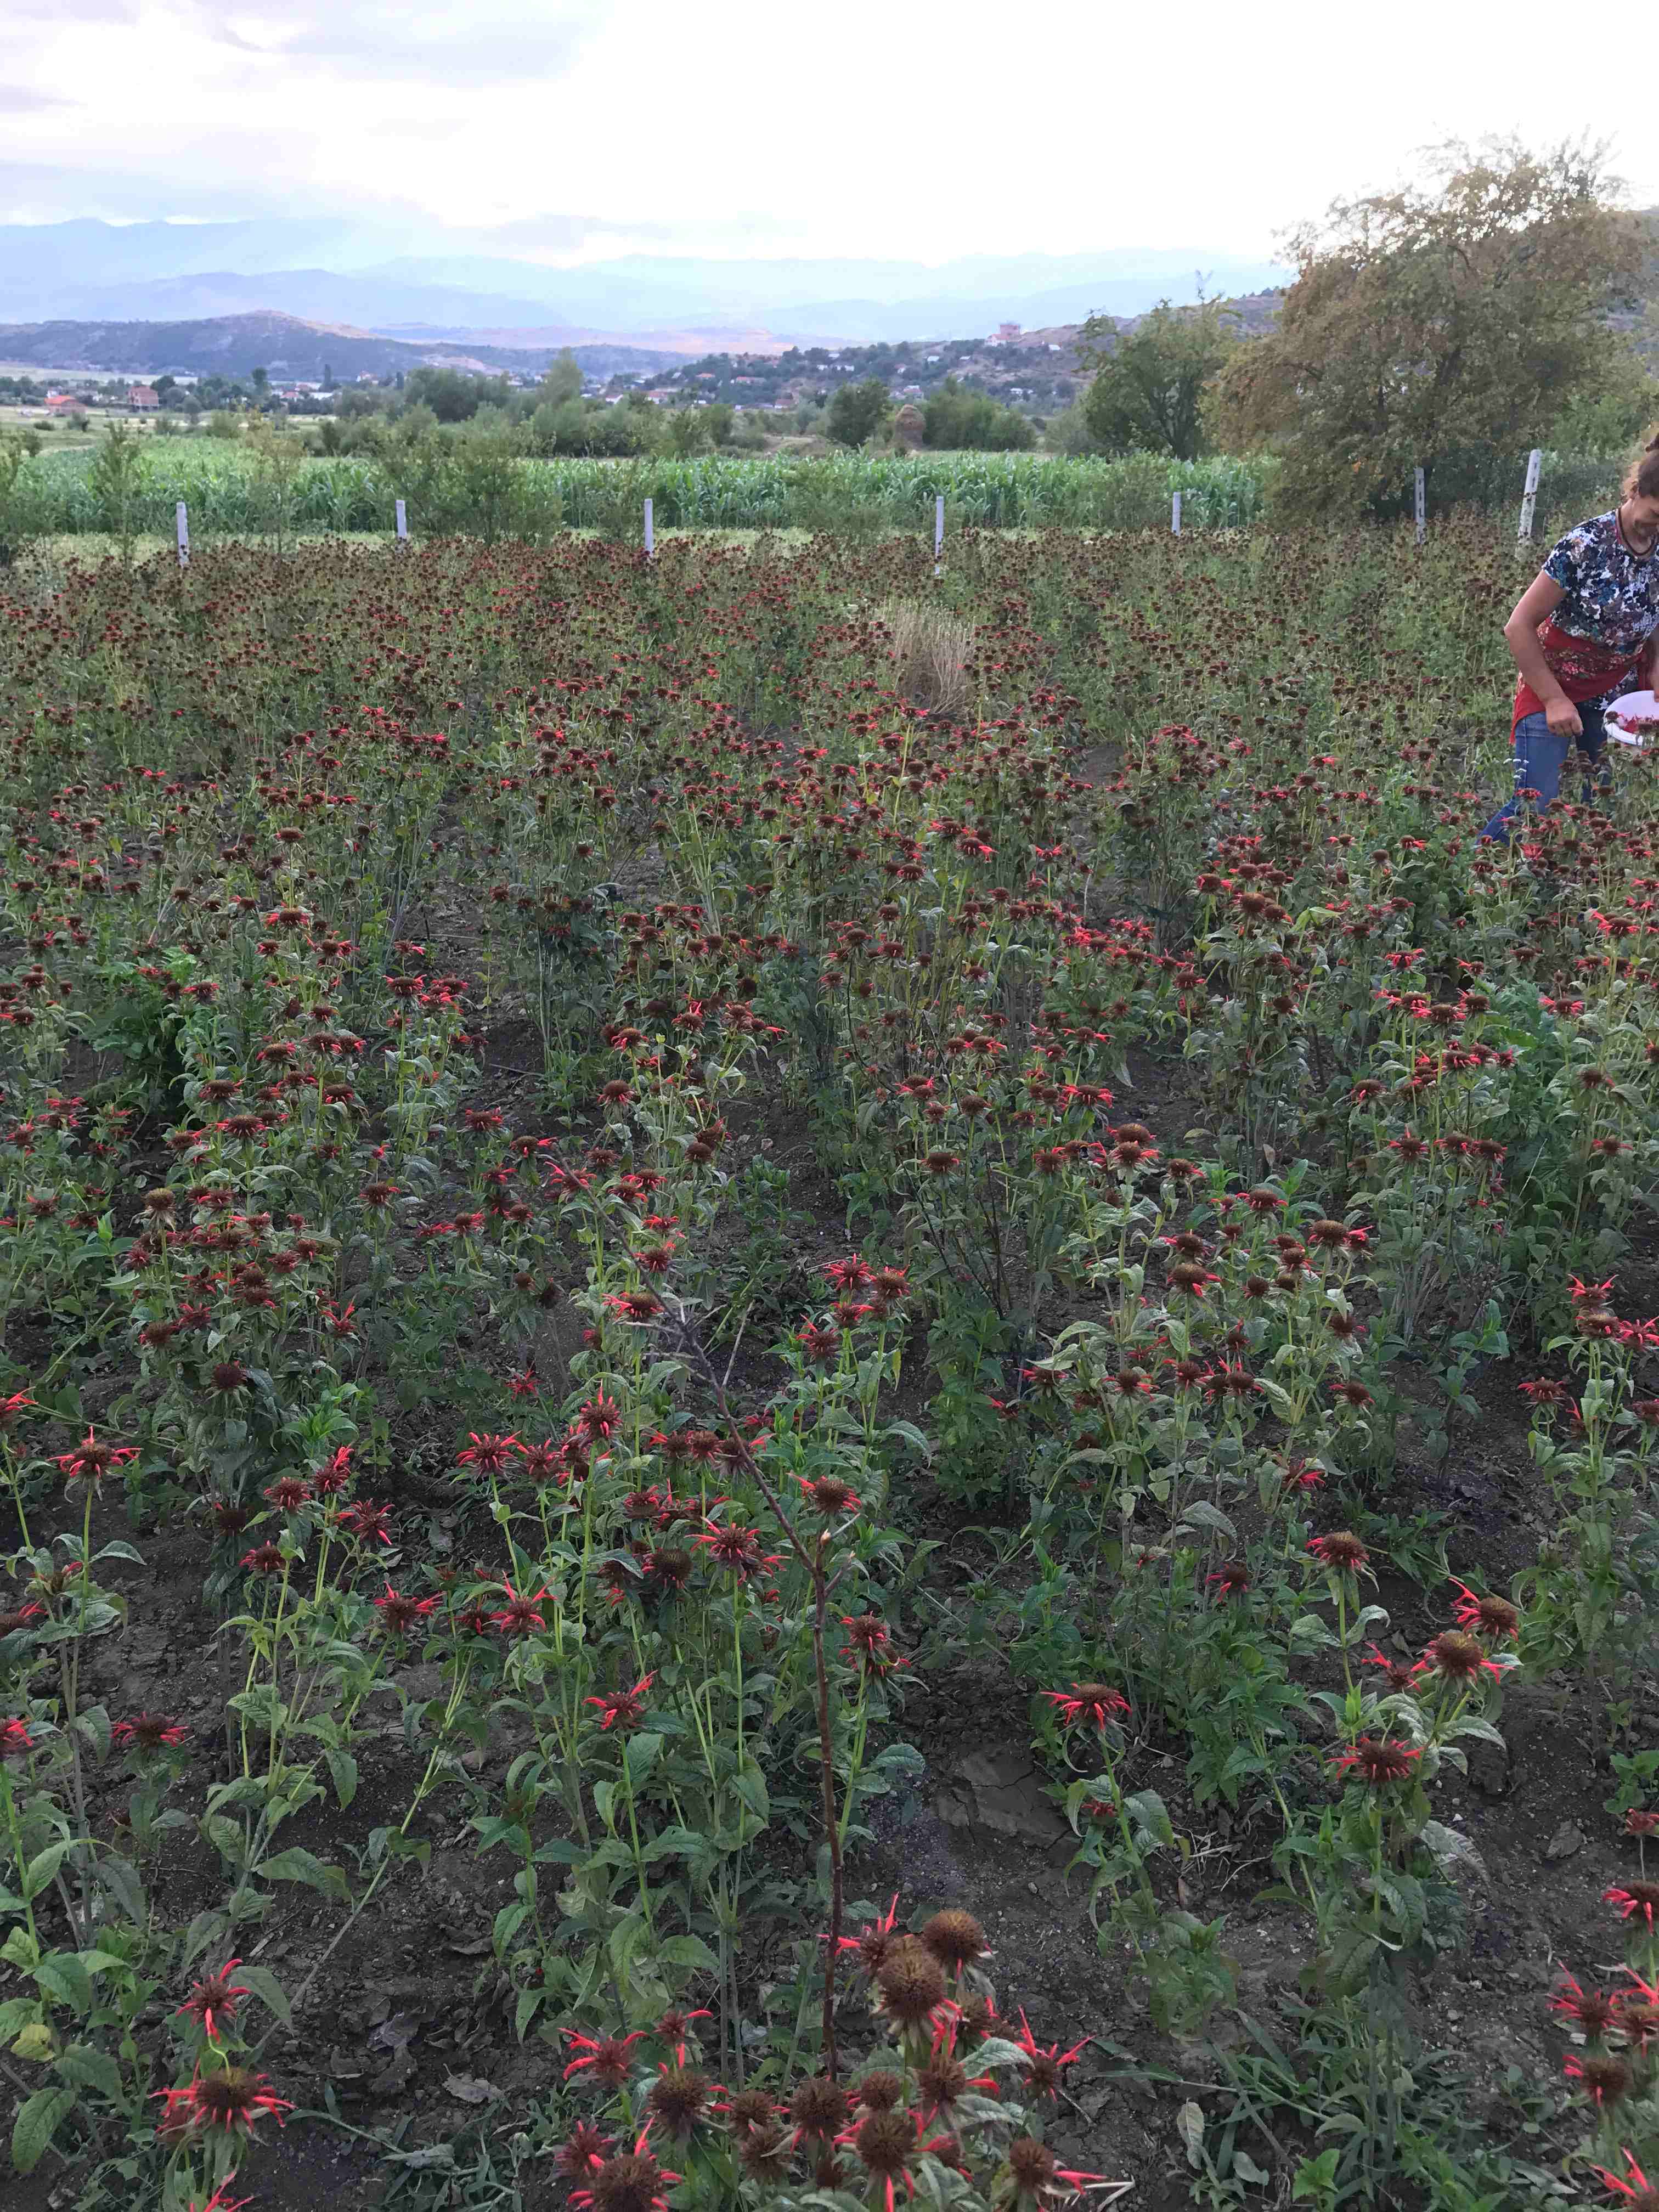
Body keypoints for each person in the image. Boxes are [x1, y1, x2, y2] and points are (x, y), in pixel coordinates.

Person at [1482, 438, 1659, 842]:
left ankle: (1579, 894)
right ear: (1636, 491)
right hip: (1554, 682)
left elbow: (1655, 616)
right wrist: (1554, 699)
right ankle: (1472, 880)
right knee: (1536, 799)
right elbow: (1519, 625)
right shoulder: (1585, 545)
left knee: (1604, 802)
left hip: (1618, 694)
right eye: (1656, 513)